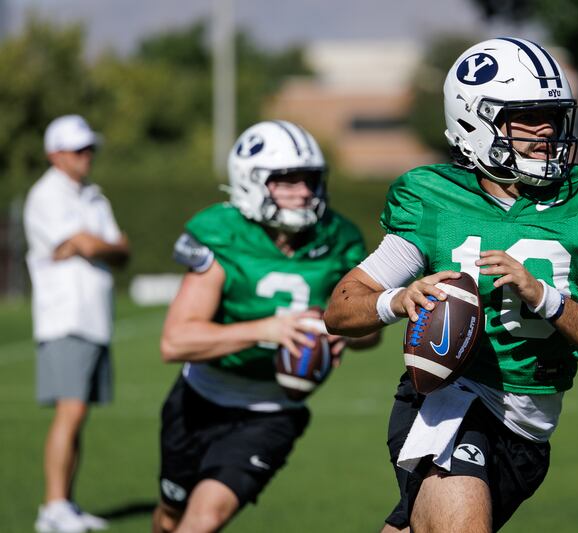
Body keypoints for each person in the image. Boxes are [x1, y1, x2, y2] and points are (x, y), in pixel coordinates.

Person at [324, 37, 578, 533]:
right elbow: (342, 308)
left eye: (553, 115)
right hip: (449, 401)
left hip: (528, 431)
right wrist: (398, 299)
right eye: (527, 117)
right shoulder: (434, 200)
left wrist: (547, 298)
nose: (547, 130)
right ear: (474, 122)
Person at [152, 120, 379, 533]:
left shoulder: (340, 236)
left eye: (309, 179)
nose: (304, 191)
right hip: (199, 399)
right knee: (170, 517)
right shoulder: (222, 232)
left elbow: (370, 332)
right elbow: (175, 341)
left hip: (273, 409)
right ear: (250, 181)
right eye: (287, 180)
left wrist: (344, 333)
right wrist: (266, 330)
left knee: (204, 519)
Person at [24, 114, 130, 533]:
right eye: (78, 149)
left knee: (78, 414)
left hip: (95, 317)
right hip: (65, 316)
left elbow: (120, 250)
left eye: (89, 149)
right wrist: (97, 244)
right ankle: (52, 506)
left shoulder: (94, 196)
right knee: (70, 411)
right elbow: (92, 243)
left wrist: (92, 245)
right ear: (55, 154)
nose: (87, 156)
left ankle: (65, 501)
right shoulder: (46, 194)